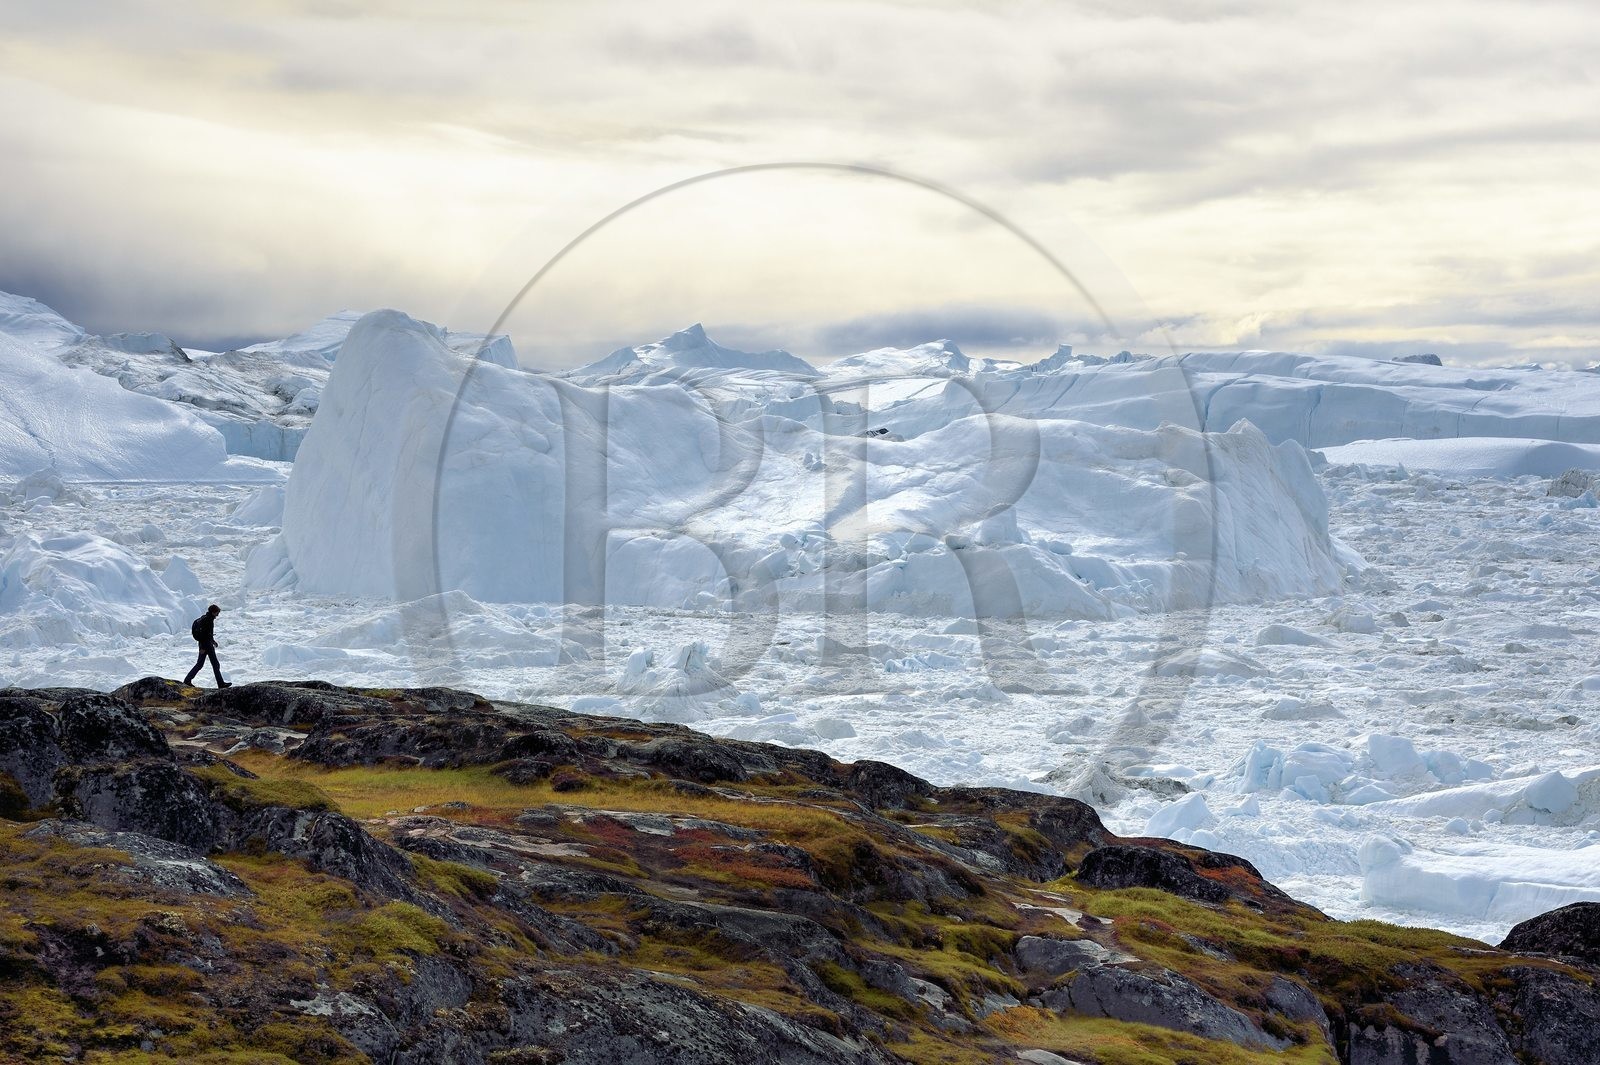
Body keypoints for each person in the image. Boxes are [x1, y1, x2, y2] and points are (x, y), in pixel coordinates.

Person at [184, 603, 232, 688]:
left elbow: (208, 633)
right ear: (213, 612)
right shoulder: (208, 620)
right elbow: (204, 634)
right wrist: (203, 647)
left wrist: (213, 641)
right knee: (214, 664)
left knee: (200, 664)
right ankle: (221, 684)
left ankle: (187, 680)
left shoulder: (206, 618)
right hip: (206, 645)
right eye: (217, 612)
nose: (218, 614)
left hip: (206, 644)